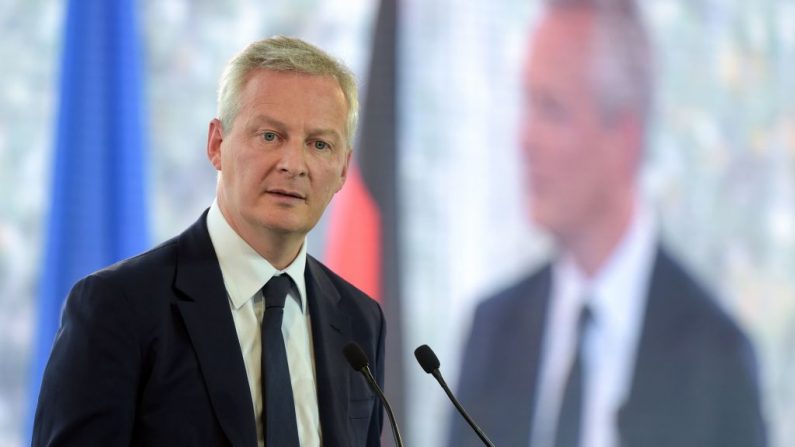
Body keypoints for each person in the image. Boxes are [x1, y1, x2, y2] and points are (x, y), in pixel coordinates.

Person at [32, 36, 385, 447]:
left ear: (343, 169)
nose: (293, 164)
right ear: (217, 144)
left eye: (319, 144)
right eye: (270, 136)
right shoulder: (117, 307)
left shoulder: (361, 320)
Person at [448, 1, 767, 447]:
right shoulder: (492, 331)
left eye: (552, 109)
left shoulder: (717, 358)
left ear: (624, 138)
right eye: (527, 103)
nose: (525, 139)